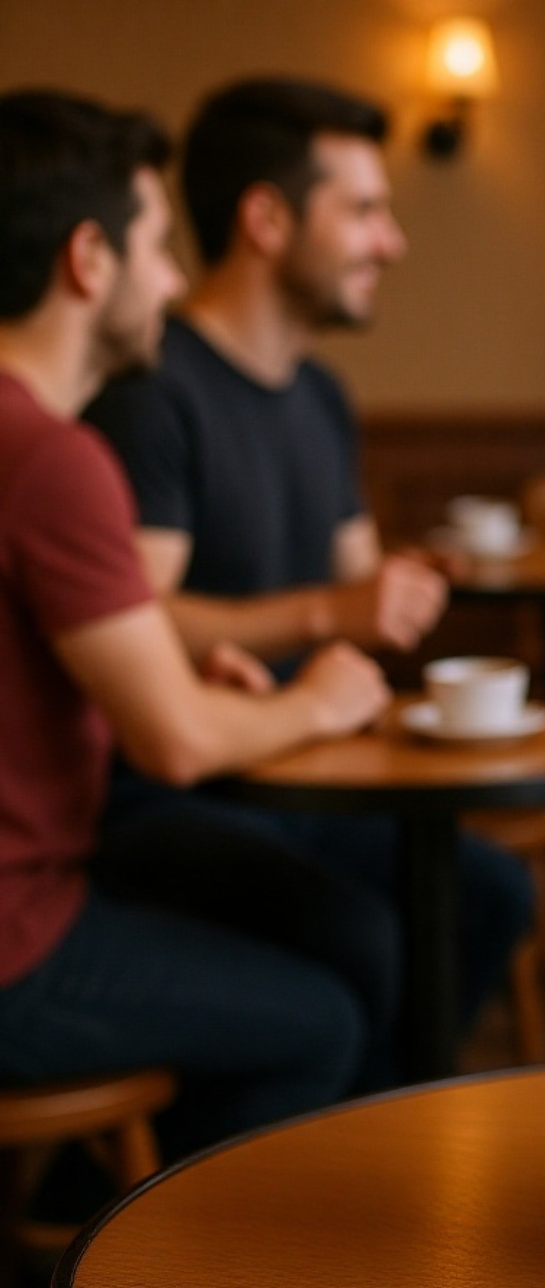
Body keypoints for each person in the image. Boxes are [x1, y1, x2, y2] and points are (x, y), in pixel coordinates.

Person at [85, 79, 534, 1079]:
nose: (392, 243)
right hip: (176, 793)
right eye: (365, 210)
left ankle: (378, 1131)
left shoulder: (322, 396)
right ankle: (312, 1148)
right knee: (362, 933)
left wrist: (398, 587)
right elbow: (138, 615)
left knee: (492, 893)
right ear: (266, 219)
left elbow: (354, 583)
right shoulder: (154, 391)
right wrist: (331, 610)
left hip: (307, 770)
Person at [0, 90, 391, 1156]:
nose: (174, 281)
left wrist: (181, 681)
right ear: (88, 261)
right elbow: (172, 742)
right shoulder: (53, 459)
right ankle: (155, 1253)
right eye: (156, 246)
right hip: (22, 941)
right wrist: (318, 700)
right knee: (321, 1021)